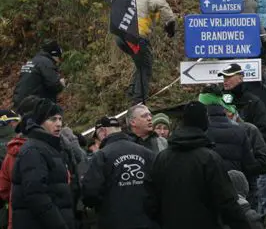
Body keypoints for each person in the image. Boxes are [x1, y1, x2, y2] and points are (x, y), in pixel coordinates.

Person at [145, 101, 249, 229]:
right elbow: (226, 201)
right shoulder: (209, 158)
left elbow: (151, 200)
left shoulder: (162, 158)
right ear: (204, 122)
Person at [80, 115, 156, 229]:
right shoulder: (147, 153)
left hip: (114, 221)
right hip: (146, 220)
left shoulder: (102, 156)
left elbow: (90, 192)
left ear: (104, 132)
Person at [9, 100, 74, 229]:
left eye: (60, 119)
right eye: (52, 119)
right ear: (40, 122)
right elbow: (36, 195)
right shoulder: (34, 150)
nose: (59, 124)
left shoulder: (52, 147)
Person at [117, 0, 175, 104]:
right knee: (146, 68)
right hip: (136, 36)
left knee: (141, 64)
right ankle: (138, 101)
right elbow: (163, 6)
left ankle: (133, 92)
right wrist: (170, 25)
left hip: (121, 37)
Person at [12, 42, 65, 106]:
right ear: (54, 55)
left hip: (19, 100)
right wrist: (61, 84)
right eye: (59, 57)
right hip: (32, 104)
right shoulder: (46, 63)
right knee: (57, 112)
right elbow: (54, 84)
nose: (58, 61)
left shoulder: (33, 61)